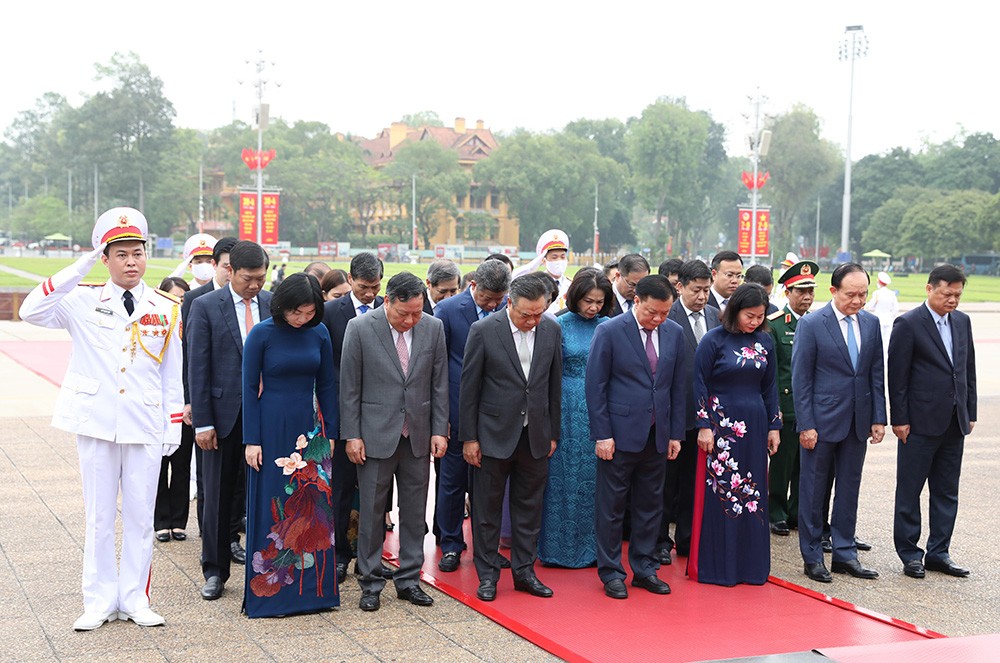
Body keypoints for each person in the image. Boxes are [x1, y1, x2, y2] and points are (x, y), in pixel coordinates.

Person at [20, 207, 183, 630]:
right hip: (96, 421)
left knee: (139, 514)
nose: (132, 262)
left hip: (144, 421)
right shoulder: (81, 299)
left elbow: (171, 372)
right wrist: (79, 266)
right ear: (105, 258)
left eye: (138, 253)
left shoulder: (165, 307)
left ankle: (135, 598)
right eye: (122, 254)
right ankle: (97, 600)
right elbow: (31, 312)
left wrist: (173, 424)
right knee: (98, 515)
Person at [340, 272, 449, 611]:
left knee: (415, 512)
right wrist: (352, 435)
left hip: (417, 434)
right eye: (404, 313)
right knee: (371, 510)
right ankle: (370, 582)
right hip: (374, 435)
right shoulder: (359, 328)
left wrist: (439, 429)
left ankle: (409, 579)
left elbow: (439, 383)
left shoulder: (433, 327)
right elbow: (349, 387)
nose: (411, 320)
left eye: (417, 312)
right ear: (387, 301)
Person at [241, 273, 340, 617]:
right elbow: (249, 389)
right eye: (296, 312)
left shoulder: (320, 332)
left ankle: (316, 593)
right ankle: (273, 593)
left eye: (309, 312)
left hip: (311, 432)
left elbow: (327, 384)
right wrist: (251, 440)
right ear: (283, 305)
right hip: (271, 428)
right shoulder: (262, 334)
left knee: (314, 506)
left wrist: (331, 433)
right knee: (275, 502)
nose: (302, 319)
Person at [460, 274, 562, 602]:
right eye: (526, 315)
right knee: (487, 509)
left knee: (529, 508)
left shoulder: (550, 329)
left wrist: (552, 433)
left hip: (535, 435)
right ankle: (488, 575)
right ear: (509, 304)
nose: (533, 320)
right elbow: (469, 388)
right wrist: (470, 438)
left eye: (538, 313)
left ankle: (524, 572)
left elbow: (552, 386)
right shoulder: (484, 331)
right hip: (492, 435)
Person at [587, 275, 686, 599]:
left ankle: (644, 568)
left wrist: (674, 433)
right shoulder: (611, 331)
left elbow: (675, 386)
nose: (658, 319)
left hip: (657, 435)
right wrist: (603, 434)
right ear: (638, 301)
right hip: (619, 434)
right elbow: (596, 386)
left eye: (665, 313)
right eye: (652, 312)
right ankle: (611, 571)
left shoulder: (674, 333)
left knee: (650, 505)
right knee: (612, 507)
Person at [187, 240, 272, 601]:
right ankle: (215, 571)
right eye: (249, 278)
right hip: (223, 417)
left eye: (261, 278)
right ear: (231, 271)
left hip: (266, 415)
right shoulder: (206, 306)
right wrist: (203, 421)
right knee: (219, 497)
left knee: (265, 494)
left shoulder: (271, 304)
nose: (255, 285)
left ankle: (267, 568)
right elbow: (197, 366)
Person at [792, 263, 886, 584]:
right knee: (813, 490)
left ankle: (845, 553)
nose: (858, 301)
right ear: (833, 291)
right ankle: (813, 556)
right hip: (820, 422)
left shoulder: (871, 324)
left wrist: (878, 418)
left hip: (858, 422)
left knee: (849, 488)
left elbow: (876, 373)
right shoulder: (813, 324)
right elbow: (801, 379)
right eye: (851, 294)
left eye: (863, 294)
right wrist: (806, 424)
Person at [689, 284, 781, 586]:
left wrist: (774, 426)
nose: (754, 322)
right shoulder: (713, 340)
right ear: (735, 310)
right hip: (721, 427)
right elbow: (698, 383)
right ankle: (718, 566)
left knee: (753, 495)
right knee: (723, 493)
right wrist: (703, 424)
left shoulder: (765, 341)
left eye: (759, 316)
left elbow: (770, 386)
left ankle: (750, 566)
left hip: (754, 425)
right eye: (749, 316)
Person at [888, 265, 977, 579]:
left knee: (946, 490)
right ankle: (910, 554)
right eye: (947, 293)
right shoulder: (909, 324)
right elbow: (897, 377)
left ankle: (939, 552)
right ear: (929, 289)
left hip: (955, 421)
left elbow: (967, 369)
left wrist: (971, 411)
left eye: (957, 294)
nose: (953, 300)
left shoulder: (962, 322)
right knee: (910, 490)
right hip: (919, 422)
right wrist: (899, 419)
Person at [433, 259, 511, 573]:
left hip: (496, 415)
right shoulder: (449, 311)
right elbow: (436, 369)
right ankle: (451, 544)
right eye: (487, 298)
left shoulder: (510, 310)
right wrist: (441, 417)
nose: (493, 305)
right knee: (451, 483)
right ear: (473, 286)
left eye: (499, 299)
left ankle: (487, 548)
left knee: (489, 486)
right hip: (456, 412)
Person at [538, 268, 613, 567]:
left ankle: (594, 550)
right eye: (587, 301)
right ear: (574, 298)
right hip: (565, 406)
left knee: (595, 481)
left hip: (600, 408)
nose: (593, 307)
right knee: (560, 478)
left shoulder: (609, 325)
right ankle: (556, 550)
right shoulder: (556, 324)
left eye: (599, 301)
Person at [321, 252, 385, 583]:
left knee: (379, 491)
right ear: (349, 279)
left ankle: (371, 555)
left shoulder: (390, 309)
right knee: (342, 489)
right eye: (363, 287)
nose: (370, 294)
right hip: (343, 415)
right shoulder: (331, 312)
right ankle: (338, 554)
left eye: (376, 287)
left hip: (382, 416)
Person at [178, 236, 241, 551]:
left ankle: (231, 537)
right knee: (209, 480)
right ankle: (211, 538)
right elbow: (193, 356)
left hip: (243, 405)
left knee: (239, 482)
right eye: (227, 267)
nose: (231, 274)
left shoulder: (256, 301)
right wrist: (191, 400)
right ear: (216, 265)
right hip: (210, 402)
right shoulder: (197, 300)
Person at [659, 260, 721, 562]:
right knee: (665, 483)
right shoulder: (666, 317)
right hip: (674, 413)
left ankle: (687, 538)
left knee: (693, 483)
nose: (702, 296)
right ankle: (660, 541)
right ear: (680, 286)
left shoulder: (716, 316)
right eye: (696, 290)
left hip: (706, 415)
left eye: (707, 290)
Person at [765, 261, 818, 537]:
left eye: (810, 291)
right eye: (801, 291)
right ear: (787, 293)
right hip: (785, 407)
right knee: (782, 464)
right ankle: (776, 511)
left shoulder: (817, 323)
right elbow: (772, 373)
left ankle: (798, 511)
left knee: (804, 465)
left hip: (810, 408)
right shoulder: (775, 325)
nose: (807, 297)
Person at [154, 276, 193, 544]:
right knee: (157, 467)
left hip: (185, 409)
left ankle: (179, 521)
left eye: (182, 298)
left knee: (181, 467)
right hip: (156, 409)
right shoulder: (154, 330)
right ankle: (160, 521)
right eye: (172, 298)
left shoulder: (192, 329)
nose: (177, 303)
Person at [512, 229, 572, 313]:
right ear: (543, 260)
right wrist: (530, 267)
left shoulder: (571, 284)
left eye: (562, 257)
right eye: (554, 257)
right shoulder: (536, 282)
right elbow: (512, 280)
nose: (559, 261)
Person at [865, 271, 899, 362]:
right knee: (887, 341)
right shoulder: (892, 294)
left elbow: (870, 306)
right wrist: (890, 316)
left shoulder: (877, 293)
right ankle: (886, 359)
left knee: (877, 341)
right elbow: (896, 309)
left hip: (878, 319)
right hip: (888, 320)